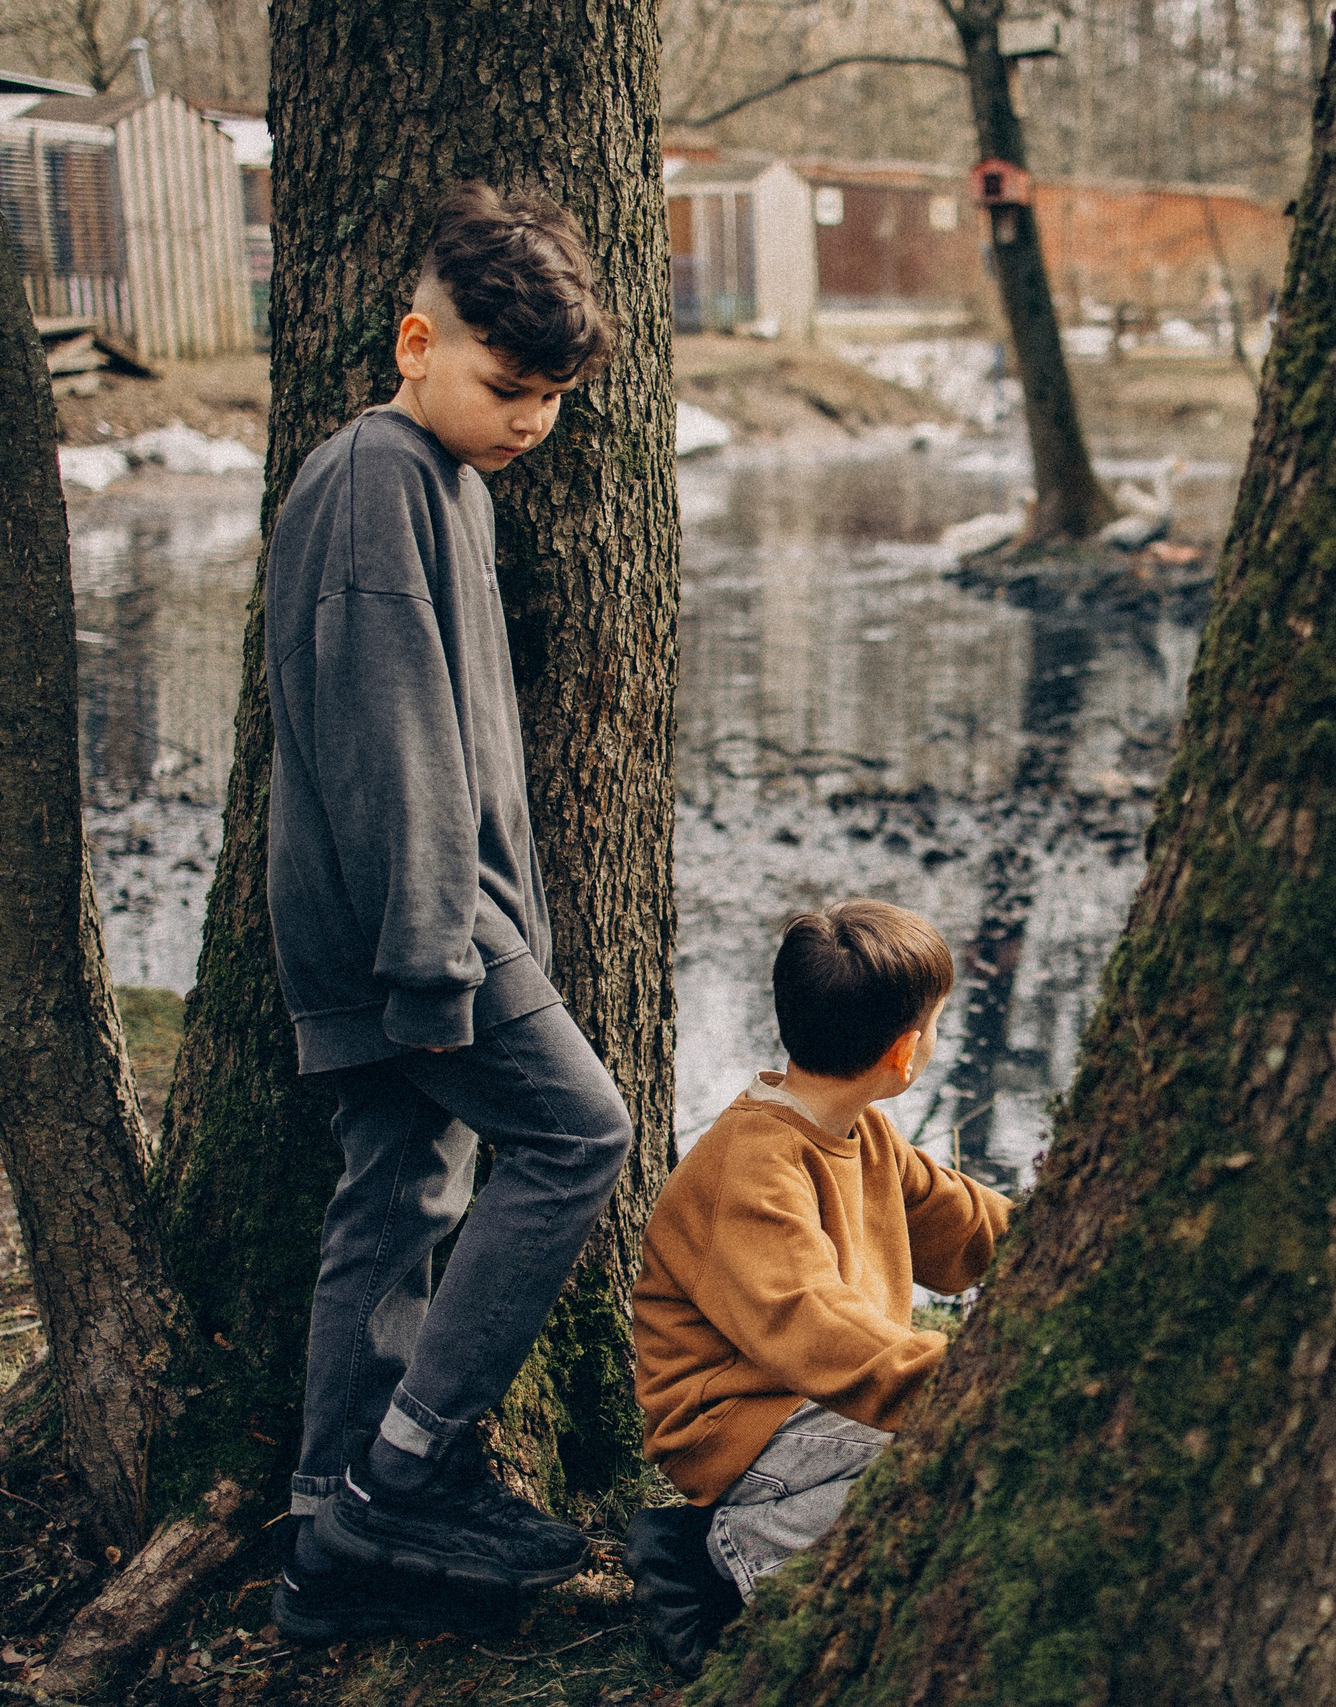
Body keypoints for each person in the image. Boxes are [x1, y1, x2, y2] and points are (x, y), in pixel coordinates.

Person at [261, 182, 633, 1643]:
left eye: (552, 396)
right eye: (507, 385)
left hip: (437, 919)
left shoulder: (455, 483)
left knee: (405, 1182)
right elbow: (389, 738)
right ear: (417, 341)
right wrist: (435, 964)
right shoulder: (374, 476)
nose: (531, 417)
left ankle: (326, 1531)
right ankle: (404, 1474)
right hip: (416, 926)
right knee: (579, 1131)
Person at [624, 900, 1013, 1675]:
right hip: (734, 1423)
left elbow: (965, 1223)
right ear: (906, 1054)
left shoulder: (860, 1130)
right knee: (934, 1451)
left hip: (811, 1398)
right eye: (937, 1022)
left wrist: (1066, 1230)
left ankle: (768, 1542)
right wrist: (958, 1384)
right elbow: (813, 1321)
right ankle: (715, 1560)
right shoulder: (753, 1168)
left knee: (931, 1448)